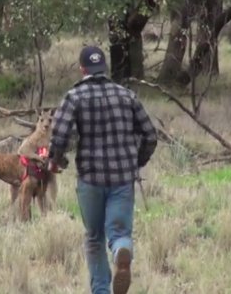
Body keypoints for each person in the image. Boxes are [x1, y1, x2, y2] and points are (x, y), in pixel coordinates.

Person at [46, 45, 158, 294]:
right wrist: (137, 161)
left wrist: (55, 161)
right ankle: (120, 250)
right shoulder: (126, 95)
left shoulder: (74, 97)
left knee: (94, 237)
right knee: (119, 232)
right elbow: (150, 135)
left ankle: (100, 290)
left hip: (91, 179)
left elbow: (60, 135)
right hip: (122, 180)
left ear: (82, 69)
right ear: (104, 68)